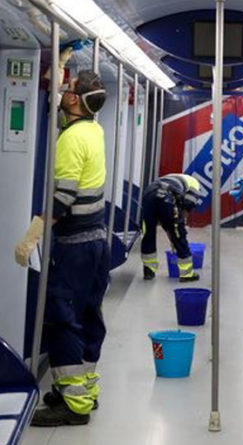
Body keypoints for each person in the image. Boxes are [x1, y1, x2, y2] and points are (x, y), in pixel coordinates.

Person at [15, 70, 108, 426]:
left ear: (74, 100)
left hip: (75, 247)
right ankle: (83, 389)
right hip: (96, 240)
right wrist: (58, 80)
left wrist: (33, 233)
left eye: (66, 90)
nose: (63, 93)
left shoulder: (71, 139)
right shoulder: (93, 129)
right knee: (88, 315)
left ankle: (73, 406)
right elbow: (66, 118)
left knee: (63, 317)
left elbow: (63, 196)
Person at [140, 173, 202, 282]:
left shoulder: (173, 177)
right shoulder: (195, 185)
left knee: (148, 233)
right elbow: (187, 206)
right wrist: (177, 231)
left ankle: (148, 270)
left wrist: (170, 231)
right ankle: (186, 274)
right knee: (178, 232)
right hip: (166, 195)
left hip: (149, 194)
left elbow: (166, 220)